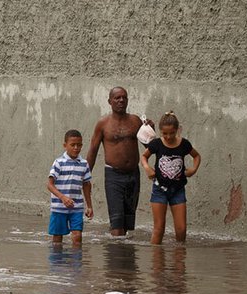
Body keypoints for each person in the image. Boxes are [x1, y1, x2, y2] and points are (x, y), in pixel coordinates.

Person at [86, 87, 152, 237]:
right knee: (116, 223)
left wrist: (151, 132)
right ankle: (115, 256)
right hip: (113, 176)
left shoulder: (135, 121)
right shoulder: (103, 124)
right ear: (110, 101)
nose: (121, 100)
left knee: (127, 225)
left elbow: (149, 146)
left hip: (133, 175)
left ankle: (124, 258)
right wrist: (85, 175)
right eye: (117, 98)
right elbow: (93, 151)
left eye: (124, 97)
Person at [141, 111, 202, 244]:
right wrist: (147, 168)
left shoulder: (184, 144)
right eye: (165, 133)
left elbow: (197, 156)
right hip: (159, 190)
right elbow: (144, 156)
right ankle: (157, 262)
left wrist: (193, 169)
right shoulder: (156, 144)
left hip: (178, 190)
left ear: (177, 130)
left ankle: (179, 260)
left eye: (172, 133)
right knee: (159, 229)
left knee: (181, 229)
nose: (168, 137)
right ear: (160, 131)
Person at [47, 129, 93, 247]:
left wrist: (89, 206)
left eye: (79, 145)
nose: (76, 148)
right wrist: (62, 198)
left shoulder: (84, 163)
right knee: (57, 239)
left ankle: (76, 263)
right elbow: (49, 184)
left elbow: (86, 185)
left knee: (77, 236)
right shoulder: (59, 163)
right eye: (72, 145)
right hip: (59, 207)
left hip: (76, 207)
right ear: (65, 145)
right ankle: (58, 263)